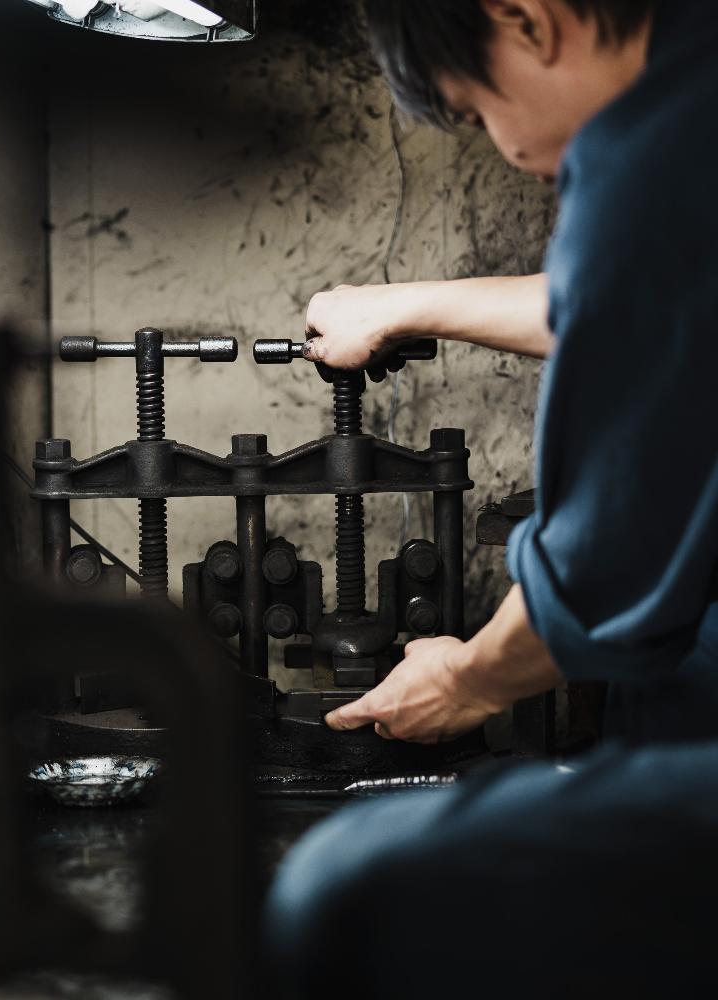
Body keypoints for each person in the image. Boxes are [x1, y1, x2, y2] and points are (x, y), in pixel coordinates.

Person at [265, 0, 718, 994]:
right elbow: (631, 300)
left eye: (475, 111)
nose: (507, 148)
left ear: (525, 18)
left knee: (344, 885)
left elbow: (603, 584)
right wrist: (405, 303)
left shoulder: (650, 151)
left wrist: (469, 677)